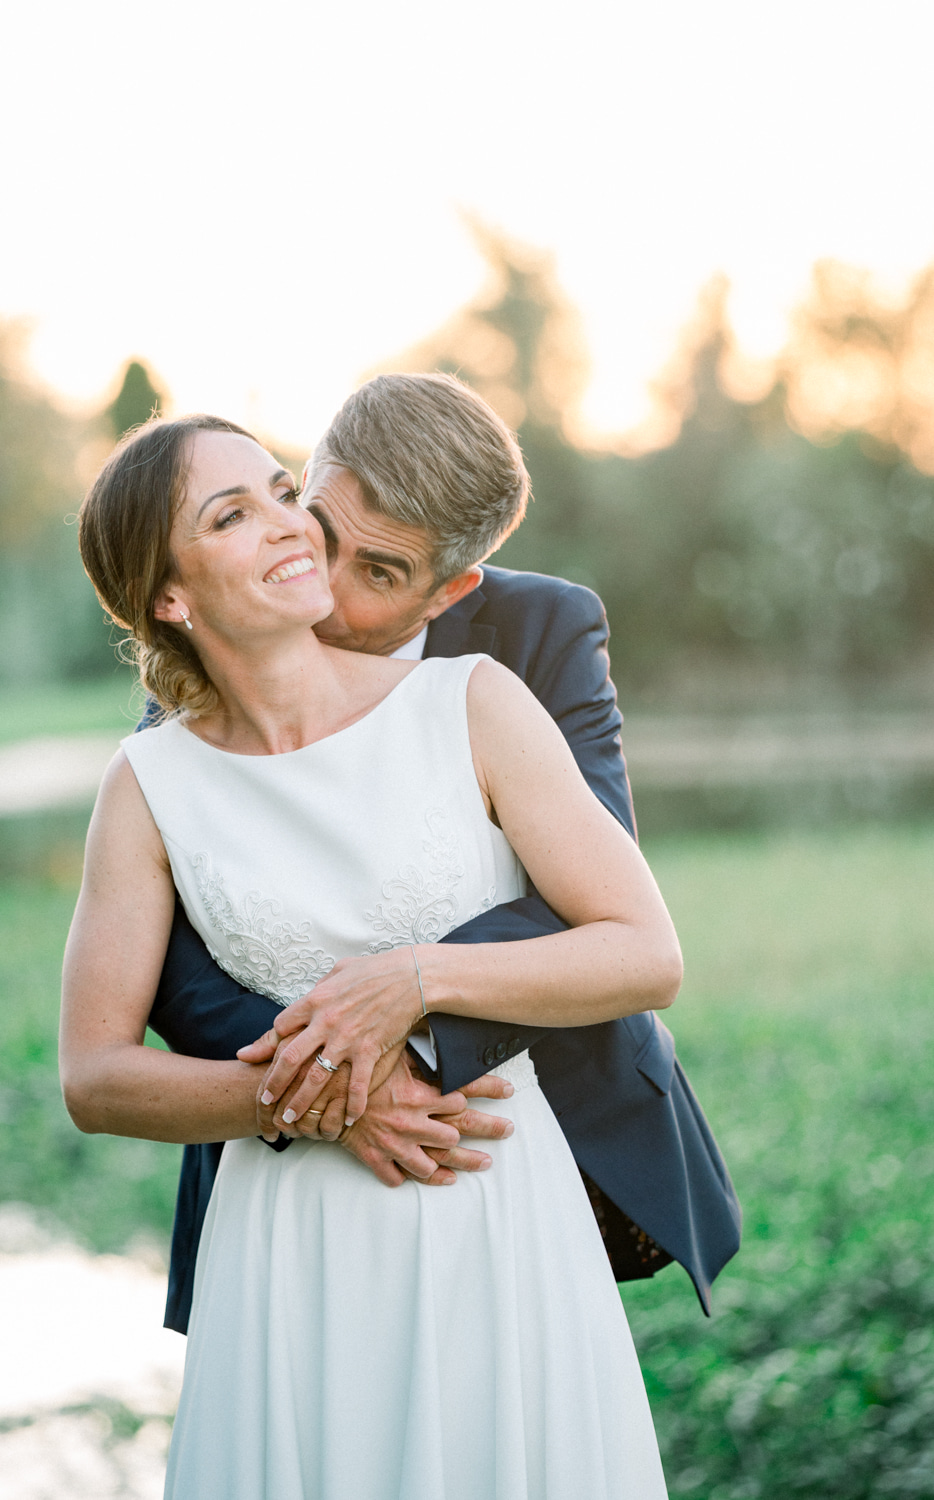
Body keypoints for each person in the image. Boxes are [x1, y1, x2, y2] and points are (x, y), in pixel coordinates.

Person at [62, 411, 682, 1497]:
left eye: (275, 488)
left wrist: (410, 982)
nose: (289, 527)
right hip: (288, 1223)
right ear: (171, 598)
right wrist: (308, 1101)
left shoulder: (478, 697)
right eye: (234, 512)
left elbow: (638, 948)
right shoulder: (150, 778)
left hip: (490, 1194)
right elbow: (95, 1075)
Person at [150, 373, 741, 1337]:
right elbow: (174, 946)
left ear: (452, 586)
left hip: (517, 1124)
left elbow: (584, 898)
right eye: (319, 527)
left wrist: (412, 1013)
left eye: (379, 572)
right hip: (285, 1157)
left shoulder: (539, 635)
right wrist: (332, 1089)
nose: (322, 586)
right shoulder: (227, 619)